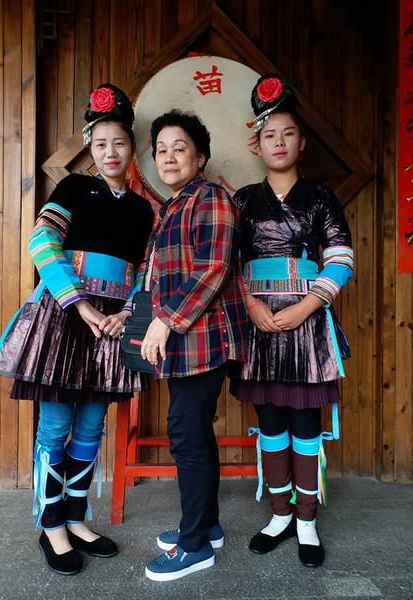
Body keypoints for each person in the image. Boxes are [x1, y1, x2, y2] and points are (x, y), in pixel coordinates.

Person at [0, 83, 154, 575]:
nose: (110, 152)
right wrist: (80, 303)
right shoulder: (73, 189)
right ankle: (52, 524)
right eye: (100, 143)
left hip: (112, 326)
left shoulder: (143, 209)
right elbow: (42, 241)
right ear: (89, 147)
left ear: (133, 147)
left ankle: (77, 517)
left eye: (118, 142)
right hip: (65, 318)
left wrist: (128, 313)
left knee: (91, 426)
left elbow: (144, 271)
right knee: (56, 425)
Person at [230, 74, 354, 568]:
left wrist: (307, 306)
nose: (278, 142)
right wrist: (250, 306)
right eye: (269, 135)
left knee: (305, 422)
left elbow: (340, 257)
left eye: (288, 134)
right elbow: (229, 263)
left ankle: (306, 519)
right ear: (256, 145)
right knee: (270, 421)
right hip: (259, 323)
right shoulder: (243, 200)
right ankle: (279, 515)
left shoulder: (321, 197)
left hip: (308, 322)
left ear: (302, 143)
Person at [139, 110, 247, 581]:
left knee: (185, 433)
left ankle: (194, 546)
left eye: (179, 148)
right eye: (161, 150)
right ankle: (208, 527)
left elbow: (213, 268)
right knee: (194, 432)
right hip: (185, 340)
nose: (168, 157)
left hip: (205, 338)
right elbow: (156, 273)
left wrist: (165, 321)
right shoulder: (172, 206)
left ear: (200, 157)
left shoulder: (212, 197)